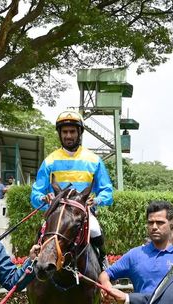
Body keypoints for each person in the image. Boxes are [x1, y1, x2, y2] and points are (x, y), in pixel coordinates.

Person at [30, 110, 113, 267]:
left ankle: (103, 263)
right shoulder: (49, 161)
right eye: (65, 132)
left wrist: (96, 200)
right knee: (41, 234)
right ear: (60, 134)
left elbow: (107, 191)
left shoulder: (94, 160)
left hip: (81, 213)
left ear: (79, 132)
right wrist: (42, 198)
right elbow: (36, 193)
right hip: (56, 213)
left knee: (95, 229)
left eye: (72, 131)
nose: (68, 136)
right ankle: (32, 269)